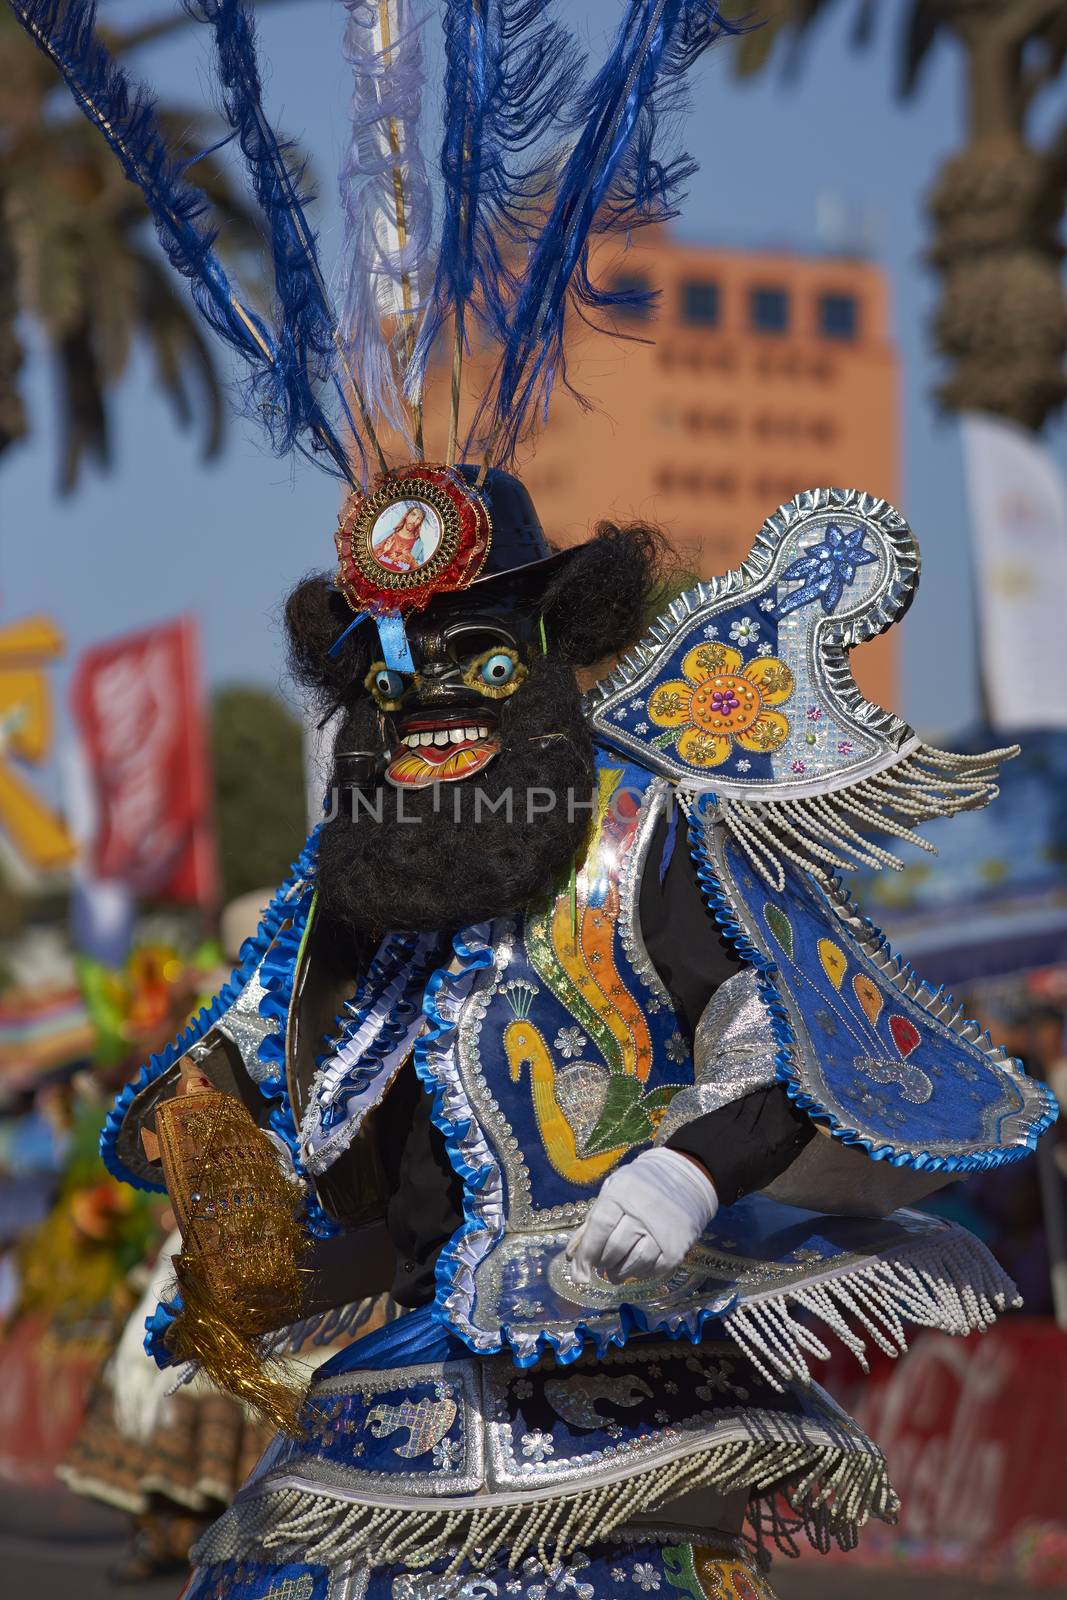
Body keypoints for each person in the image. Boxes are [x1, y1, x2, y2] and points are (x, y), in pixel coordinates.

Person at [15, 4, 1057, 1598]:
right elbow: (232, 1062)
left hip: (608, 1428)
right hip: (387, 1407)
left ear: (556, 653)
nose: (431, 705)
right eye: (397, 676)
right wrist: (204, 1131)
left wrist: (688, 1169)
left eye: (477, 667)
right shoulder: (344, 882)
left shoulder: (642, 835)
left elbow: (784, 1050)